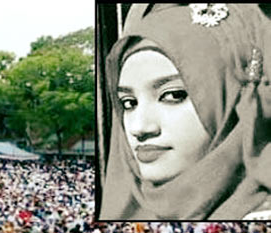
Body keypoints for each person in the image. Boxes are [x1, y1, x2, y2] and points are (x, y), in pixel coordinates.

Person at [100, 4, 271, 220]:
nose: (139, 128)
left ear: (234, 96)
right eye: (128, 103)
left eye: (173, 95)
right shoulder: (129, 208)